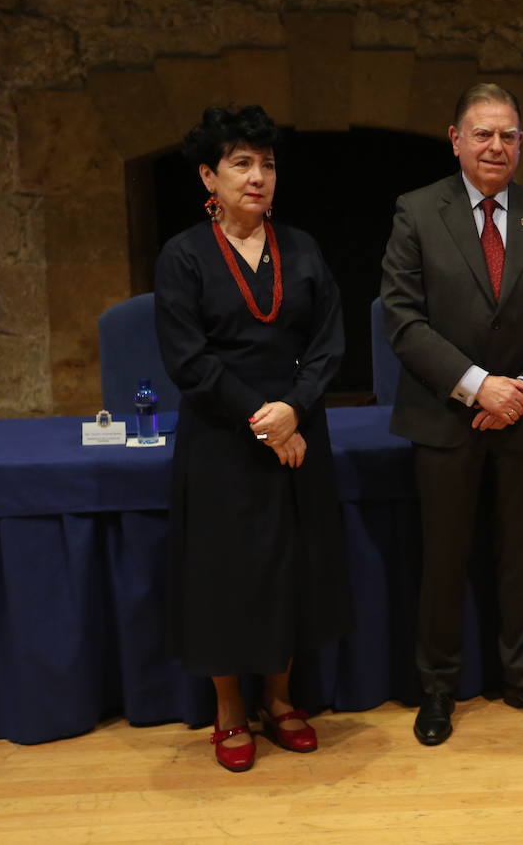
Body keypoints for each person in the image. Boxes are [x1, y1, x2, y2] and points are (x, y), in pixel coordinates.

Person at [381, 83, 523, 746]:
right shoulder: (416, 211)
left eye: (508, 136)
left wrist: (522, 388)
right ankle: (438, 687)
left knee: (520, 556)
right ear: (456, 139)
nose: (496, 146)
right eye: (483, 134)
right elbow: (403, 320)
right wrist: (476, 386)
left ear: (521, 144)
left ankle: (522, 675)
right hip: (446, 420)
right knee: (444, 559)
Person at [155, 104, 350, 772]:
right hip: (222, 438)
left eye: (267, 164)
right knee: (224, 575)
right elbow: (189, 359)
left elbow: (329, 343)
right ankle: (230, 708)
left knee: (291, 568)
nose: (258, 176)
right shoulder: (182, 257)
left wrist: (293, 412)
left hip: (298, 428)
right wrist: (264, 421)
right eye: (241, 163)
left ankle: (281, 697)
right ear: (209, 176)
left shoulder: (301, 247)